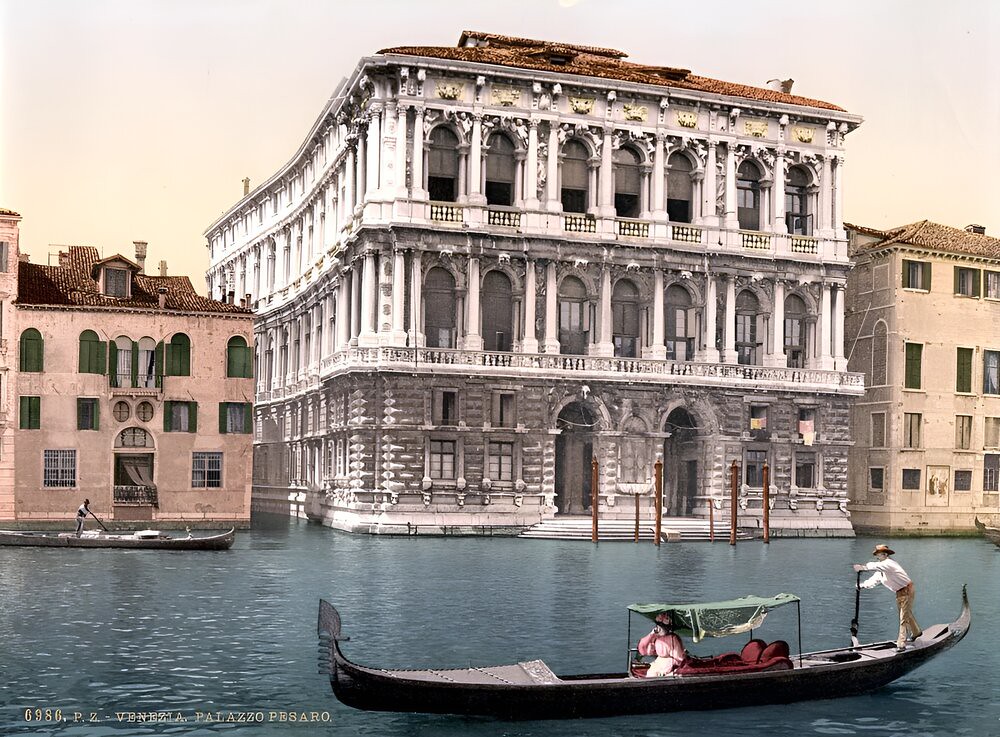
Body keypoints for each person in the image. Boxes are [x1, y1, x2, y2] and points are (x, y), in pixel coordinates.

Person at [853, 544, 922, 652]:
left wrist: (863, 567)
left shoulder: (889, 563)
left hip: (907, 589)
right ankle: (916, 632)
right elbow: (873, 581)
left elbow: (875, 566)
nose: (879, 556)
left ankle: (901, 643)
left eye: (881, 553)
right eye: (878, 554)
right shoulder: (881, 571)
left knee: (903, 617)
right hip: (899, 592)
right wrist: (861, 586)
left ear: (886, 554)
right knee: (906, 614)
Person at [637, 612, 687, 676]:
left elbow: (678, 656)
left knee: (660, 673)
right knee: (651, 673)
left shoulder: (673, 638)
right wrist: (651, 634)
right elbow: (643, 648)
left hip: (670, 662)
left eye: (661, 626)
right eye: (658, 626)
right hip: (659, 661)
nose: (659, 628)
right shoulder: (656, 637)